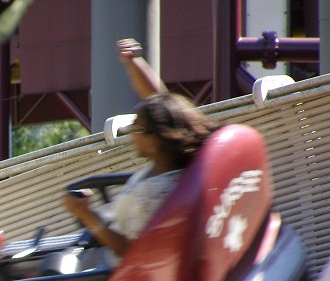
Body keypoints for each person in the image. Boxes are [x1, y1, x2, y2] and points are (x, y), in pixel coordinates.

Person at [63, 38, 219, 265]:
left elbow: (130, 252)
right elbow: (163, 110)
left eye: (135, 127)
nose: (130, 132)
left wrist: (85, 214)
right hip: (109, 243)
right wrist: (133, 63)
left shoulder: (154, 197)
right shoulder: (175, 165)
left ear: (154, 140)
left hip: (112, 273)